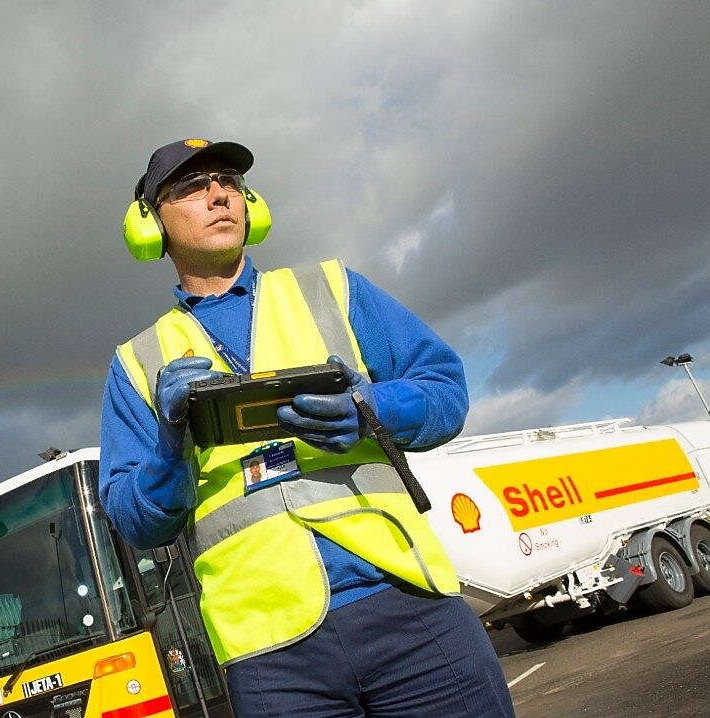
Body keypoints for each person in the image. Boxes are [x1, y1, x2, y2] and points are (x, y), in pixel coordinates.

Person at [99, 138, 515, 717]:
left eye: (228, 181)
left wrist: (372, 408)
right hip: (271, 655)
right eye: (192, 186)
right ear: (149, 226)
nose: (219, 193)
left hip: (408, 607)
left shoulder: (332, 288)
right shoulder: (138, 363)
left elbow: (446, 391)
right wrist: (172, 447)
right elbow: (132, 519)